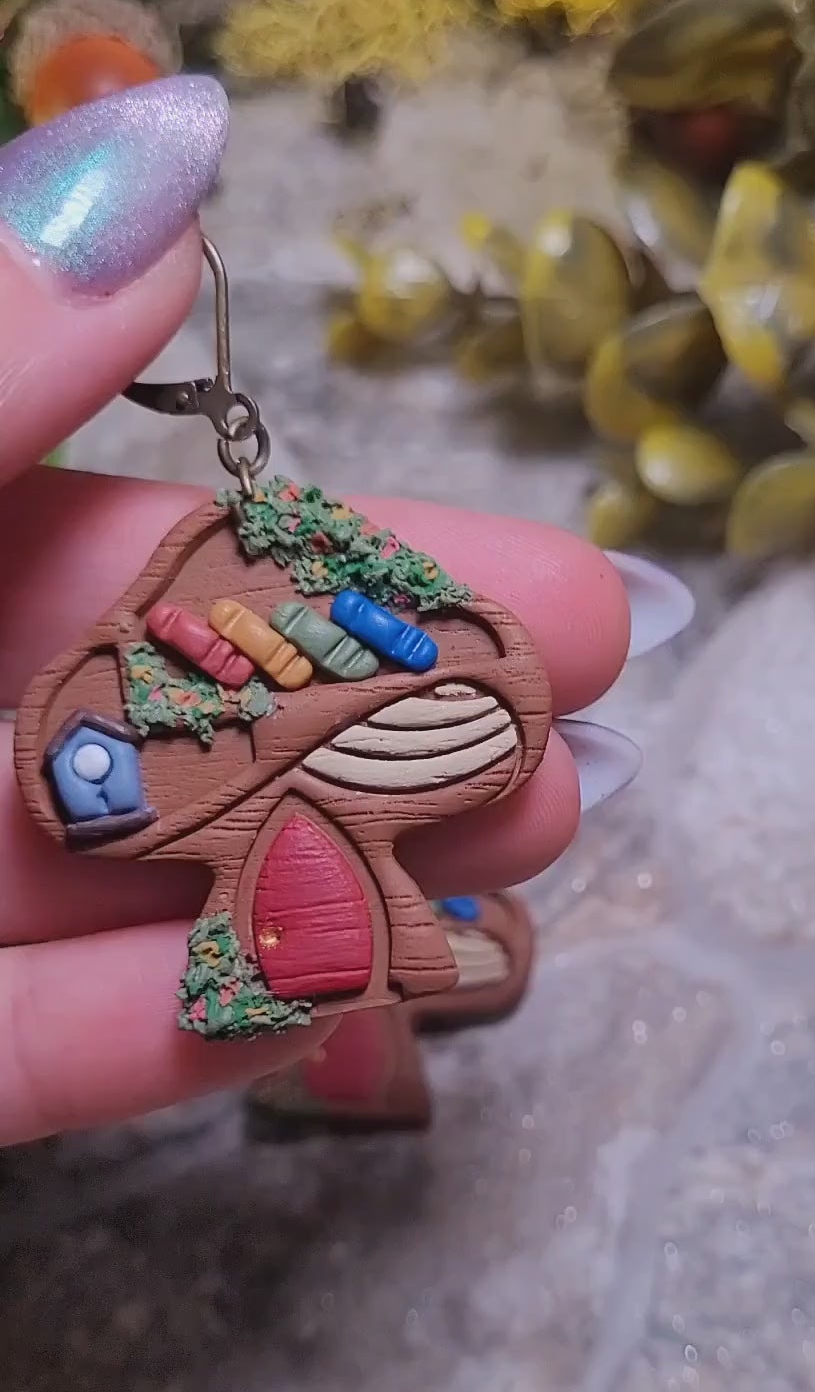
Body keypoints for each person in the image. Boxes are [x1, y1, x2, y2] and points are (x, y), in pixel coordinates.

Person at [0, 75, 679, 1145]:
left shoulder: (325, 623)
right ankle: (351, 1053)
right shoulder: (186, 654)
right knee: (311, 895)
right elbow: (117, 757)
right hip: (251, 789)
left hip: (317, 760)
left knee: (340, 879)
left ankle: (359, 1039)